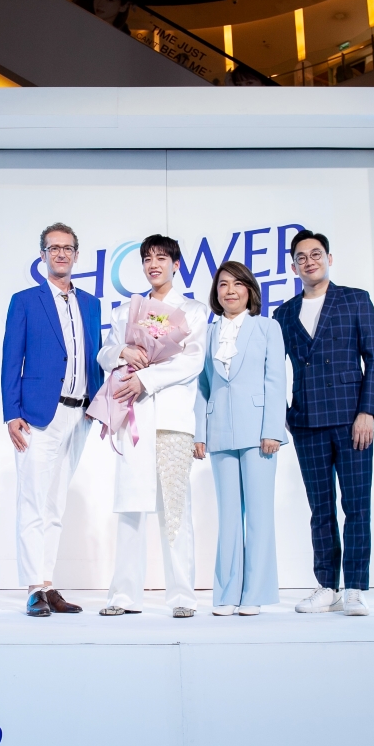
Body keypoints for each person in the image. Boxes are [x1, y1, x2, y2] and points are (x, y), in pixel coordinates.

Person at [97, 235, 209, 618]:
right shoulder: (126, 311)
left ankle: (182, 597)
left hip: (173, 420)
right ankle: (123, 596)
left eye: (161, 258)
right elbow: (104, 353)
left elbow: (192, 361)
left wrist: (146, 379)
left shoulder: (192, 311)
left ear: (176, 265)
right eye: (147, 259)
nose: (153, 265)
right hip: (133, 418)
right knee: (130, 508)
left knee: (175, 509)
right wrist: (122, 351)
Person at [273, 230, 374, 617]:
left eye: (315, 254)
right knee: (320, 509)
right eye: (301, 258)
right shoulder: (283, 314)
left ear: (329, 258)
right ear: (293, 267)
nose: (309, 262)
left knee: (356, 506)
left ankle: (355, 587)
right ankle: (327, 586)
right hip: (307, 422)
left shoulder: (355, 299)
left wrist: (368, 412)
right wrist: (285, 414)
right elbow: (272, 371)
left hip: (353, 420)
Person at [4, 223, 103, 617]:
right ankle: (33, 588)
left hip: (79, 415)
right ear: (42, 255)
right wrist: (11, 413)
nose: (61, 254)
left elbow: (95, 357)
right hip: (37, 416)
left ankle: (48, 583)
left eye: (67, 248)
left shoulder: (92, 304)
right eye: (53, 248)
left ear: (76, 254)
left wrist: (99, 407)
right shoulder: (25, 301)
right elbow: (12, 359)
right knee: (33, 501)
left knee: (56, 505)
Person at [193, 262, 287, 616]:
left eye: (237, 284)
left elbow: (276, 380)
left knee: (259, 515)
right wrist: (200, 432)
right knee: (229, 516)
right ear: (216, 293)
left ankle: (254, 594)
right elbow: (202, 386)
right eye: (222, 285)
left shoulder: (267, 327)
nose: (229, 290)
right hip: (219, 430)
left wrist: (272, 429)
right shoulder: (208, 333)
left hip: (259, 431)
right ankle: (227, 593)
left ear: (250, 289)